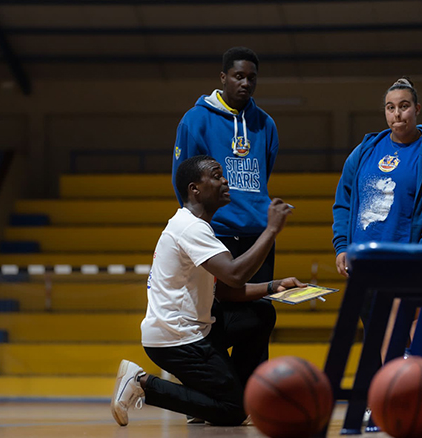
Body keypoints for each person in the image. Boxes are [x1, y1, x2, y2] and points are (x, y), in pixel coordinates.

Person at [111, 156, 302, 427]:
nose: (224, 180)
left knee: (261, 314)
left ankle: (224, 398)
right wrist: (271, 229)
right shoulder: (190, 228)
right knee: (231, 412)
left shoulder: (197, 226)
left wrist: (273, 286)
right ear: (194, 189)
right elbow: (235, 274)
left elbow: (225, 291)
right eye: (215, 175)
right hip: (177, 340)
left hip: (197, 328)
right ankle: (142, 383)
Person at [332, 77, 422, 322]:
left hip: (407, 267)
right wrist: (342, 246)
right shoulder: (365, 150)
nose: (397, 114)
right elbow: (343, 201)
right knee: (373, 346)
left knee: (404, 347)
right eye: (390, 107)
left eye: (404, 106)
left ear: (417, 109)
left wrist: (420, 257)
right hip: (364, 265)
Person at [172, 46, 279, 285]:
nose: (246, 83)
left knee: (259, 310)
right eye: (238, 76)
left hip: (257, 234)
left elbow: (263, 175)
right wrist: (198, 227)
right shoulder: (195, 120)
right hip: (215, 234)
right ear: (223, 77)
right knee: (216, 312)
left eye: (252, 78)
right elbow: (182, 180)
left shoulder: (265, 124)